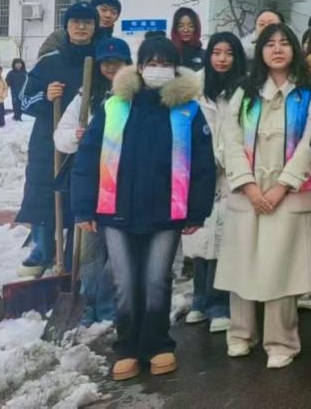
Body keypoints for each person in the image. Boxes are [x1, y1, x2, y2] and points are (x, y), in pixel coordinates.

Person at [70, 36, 215, 380]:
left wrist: (197, 211)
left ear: (176, 67)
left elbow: (203, 165)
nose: (158, 69)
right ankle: (127, 347)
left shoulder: (188, 110)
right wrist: (84, 208)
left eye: (166, 63)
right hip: (116, 211)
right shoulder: (115, 106)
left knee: (156, 280)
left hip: (166, 213)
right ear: (140, 66)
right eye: (152, 62)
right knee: (123, 281)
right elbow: (88, 157)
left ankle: (158, 344)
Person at [216, 24, 311, 369]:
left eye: (284, 43)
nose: (277, 49)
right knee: (242, 263)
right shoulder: (244, 93)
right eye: (270, 44)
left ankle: (282, 341)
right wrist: (248, 185)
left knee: (281, 269)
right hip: (247, 192)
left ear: (294, 50)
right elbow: (229, 142)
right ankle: (240, 334)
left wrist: (283, 185)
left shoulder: (308, 94)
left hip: (289, 194)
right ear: (260, 51)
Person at [55, 37, 133, 325]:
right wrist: (74, 136)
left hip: (123, 184)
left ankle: (108, 305)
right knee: (90, 250)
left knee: (118, 251)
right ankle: (87, 303)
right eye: (106, 63)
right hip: (90, 183)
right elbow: (60, 135)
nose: (111, 67)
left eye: (118, 62)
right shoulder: (85, 96)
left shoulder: (136, 97)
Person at [17, 2, 98, 277]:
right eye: (76, 22)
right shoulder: (50, 61)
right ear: (66, 26)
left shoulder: (101, 59)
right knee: (43, 192)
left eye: (87, 22)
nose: (81, 27)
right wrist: (46, 96)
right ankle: (43, 249)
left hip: (86, 139)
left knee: (81, 193)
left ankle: (75, 253)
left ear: (95, 27)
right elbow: (23, 99)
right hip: (47, 140)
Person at [183, 33, 247, 334]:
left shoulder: (244, 89)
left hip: (230, 171)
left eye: (229, 53)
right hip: (198, 170)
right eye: (217, 52)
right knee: (200, 236)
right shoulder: (193, 88)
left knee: (224, 240)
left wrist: (224, 157)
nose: (222, 59)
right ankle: (199, 298)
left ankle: (220, 302)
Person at [38, 0, 122, 58]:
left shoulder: (112, 43)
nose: (108, 15)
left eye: (113, 12)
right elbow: (45, 62)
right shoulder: (60, 36)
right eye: (103, 10)